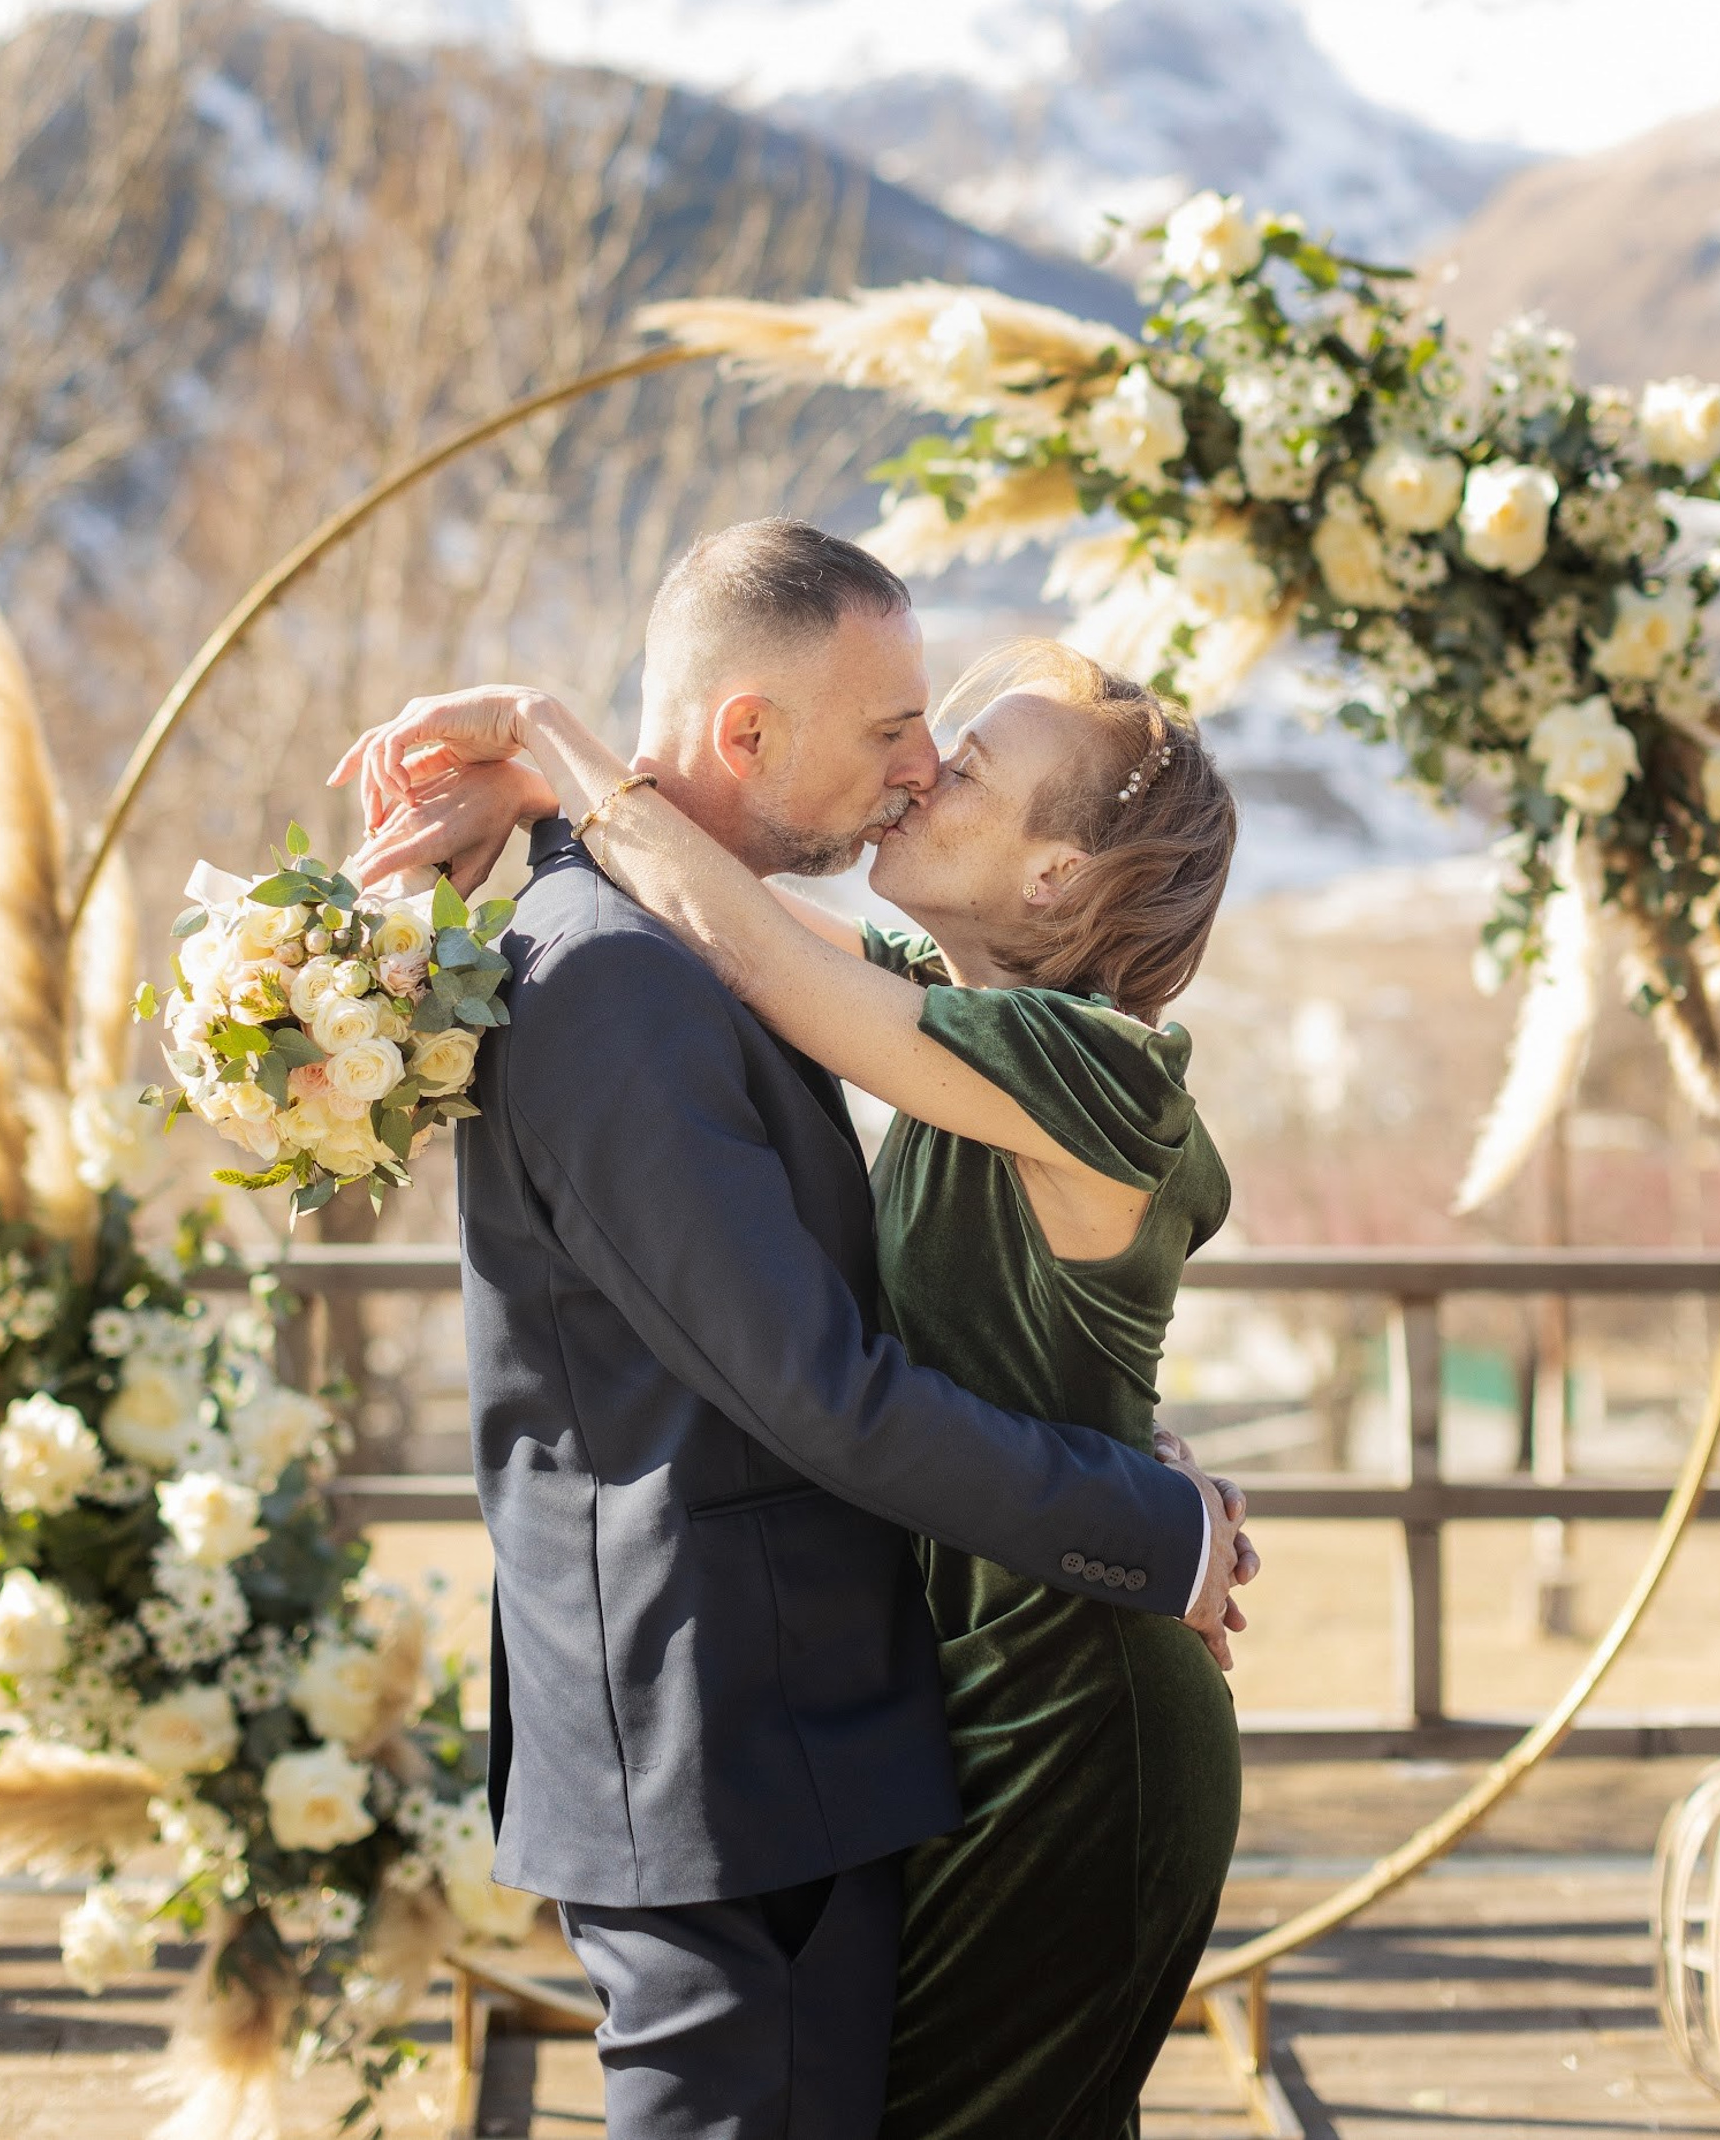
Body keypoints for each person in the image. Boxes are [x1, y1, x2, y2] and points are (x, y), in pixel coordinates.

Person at [333, 522, 1247, 2140]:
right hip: (940, 1679)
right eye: (905, 737)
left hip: (1062, 1688)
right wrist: (544, 807)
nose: (916, 778)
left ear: (1054, 872)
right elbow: (735, 929)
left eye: (954, 762)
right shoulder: (926, 1000)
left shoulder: (1084, 1063)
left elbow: (745, 942)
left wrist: (556, 745)